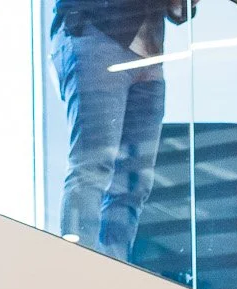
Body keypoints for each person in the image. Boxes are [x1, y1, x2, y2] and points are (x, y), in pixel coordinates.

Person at [49, 2, 189, 265]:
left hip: (149, 53)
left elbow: (180, 11)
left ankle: (112, 276)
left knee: (134, 184)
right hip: (98, 31)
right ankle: (77, 271)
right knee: (93, 166)